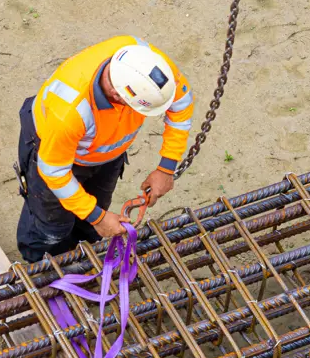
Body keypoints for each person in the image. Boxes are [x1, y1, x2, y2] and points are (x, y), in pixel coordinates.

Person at [16, 36, 194, 262]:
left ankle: (83, 254)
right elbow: (55, 172)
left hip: (104, 154)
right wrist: (97, 217)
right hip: (54, 152)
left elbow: (181, 105)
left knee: (96, 210)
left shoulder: (148, 64)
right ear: (119, 96)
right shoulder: (69, 112)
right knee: (52, 225)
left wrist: (167, 166)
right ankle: (41, 265)